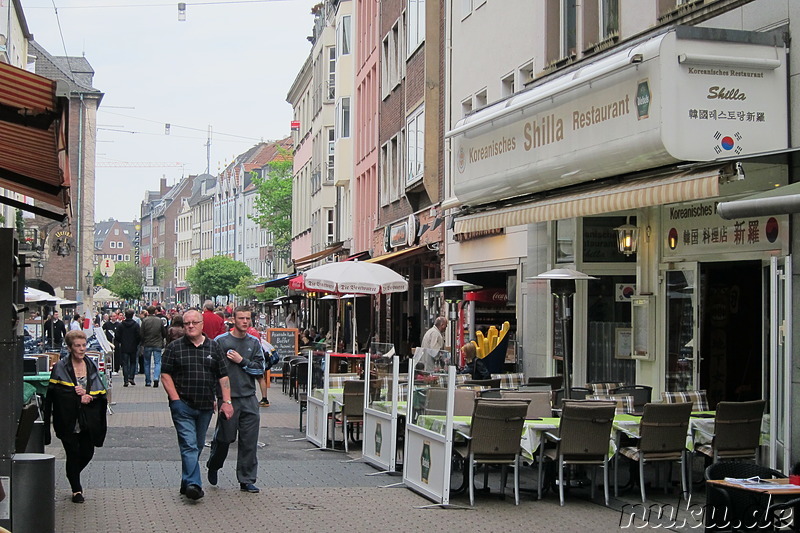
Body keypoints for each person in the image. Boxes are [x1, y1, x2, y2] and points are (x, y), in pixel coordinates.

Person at [161, 309, 233, 501]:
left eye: (194, 323)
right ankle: (194, 485)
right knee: (189, 445)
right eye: (187, 323)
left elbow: (223, 376)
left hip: (205, 406)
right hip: (182, 405)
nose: (191, 326)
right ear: (183, 326)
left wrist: (226, 401)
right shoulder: (174, 348)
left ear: (202, 324)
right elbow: (165, 374)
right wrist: (175, 399)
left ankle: (186, 482)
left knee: (198, 445)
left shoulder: (213, 347)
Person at [43, 330, 108, 504]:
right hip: (67, 419)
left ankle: (72, 473)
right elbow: (54, 394)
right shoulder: (60, 367)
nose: (82, 349)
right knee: (72, 452)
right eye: (77, 346)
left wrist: (89, 396)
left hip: (87, 419)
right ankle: (76, 489)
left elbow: (100, 391)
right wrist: (74, 394)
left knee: (87, 452)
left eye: (84, 345)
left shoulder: (90, 365)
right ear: (70, 347)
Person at [206, 306, 265, 493]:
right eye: (241, 318)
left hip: (249, 398)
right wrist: (216, 397)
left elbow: (259, 369)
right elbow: (211, 370)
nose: (245, 322)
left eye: (248, 318)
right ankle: (214, 464)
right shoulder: (220, 342)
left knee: (249, 440)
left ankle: (246, 479)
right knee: (225, 438)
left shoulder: (254, 343)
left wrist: (242, 361)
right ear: (233, 319)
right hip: (228, 398)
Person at [140, 305, 167, 388]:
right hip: (157, 344)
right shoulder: (159, 321)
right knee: (157, 362)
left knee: (147, 363)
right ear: (155, 311)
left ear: (147, 312)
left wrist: (143, 341)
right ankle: (156, 378)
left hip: (147, 344)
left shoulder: (144, 321)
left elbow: (141, 333)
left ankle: (148, 381)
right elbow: (164, 333)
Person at [115, 309, 141, 387]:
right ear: (133, 315)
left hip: (124, 346)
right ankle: (131, 377)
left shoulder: (121, 325)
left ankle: (125, 380)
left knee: (125, 364)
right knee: (133, 362)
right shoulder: (136, 325)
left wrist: (121, 341)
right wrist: (136, 343)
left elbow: (117, 335)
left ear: (125, 315)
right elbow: (139, 336)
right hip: (133, 346)